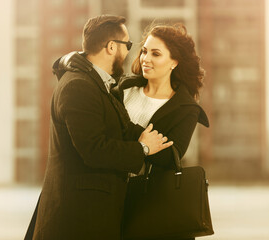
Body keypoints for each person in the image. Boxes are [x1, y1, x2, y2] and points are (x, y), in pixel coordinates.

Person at [57, 23, 209, 240]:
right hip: (108, 198)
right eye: (144, 51)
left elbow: (170, 155)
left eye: (156, 54)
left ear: (174, 62)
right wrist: (143, 141)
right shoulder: (122, 88)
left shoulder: (185, 108)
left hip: (153, 206)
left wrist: (131, 134)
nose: (146, 58)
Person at [26, 15, 173, 240]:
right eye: (129, 45)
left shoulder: (98, 84)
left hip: (89, 217)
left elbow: (122, 128)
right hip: (76, 221)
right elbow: (93, 150)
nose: (129, 54)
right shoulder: (78, 86)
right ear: (112, 47)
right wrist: (142, 149)